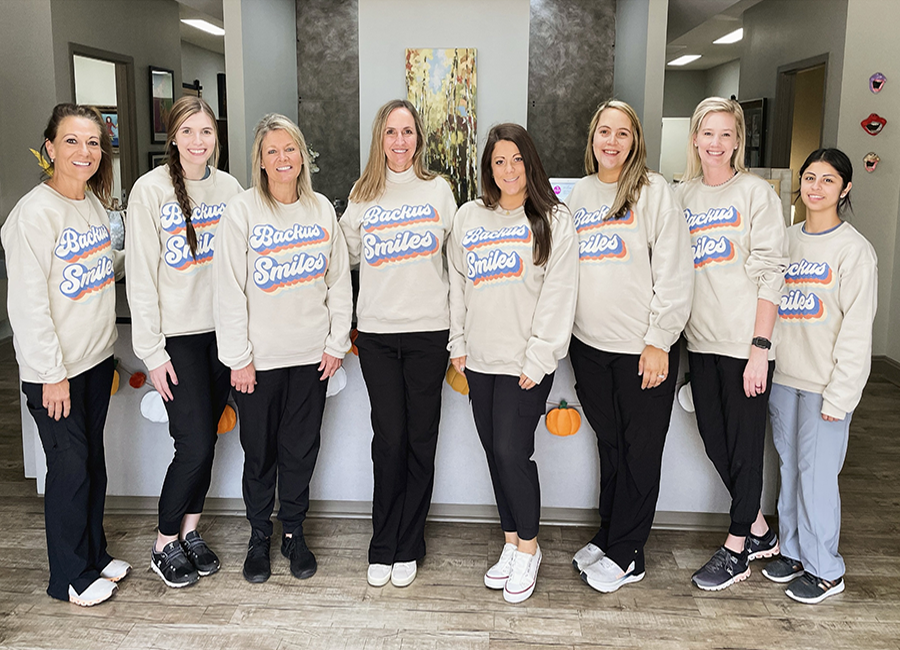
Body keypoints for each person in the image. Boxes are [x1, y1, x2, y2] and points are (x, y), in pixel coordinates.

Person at [214, 114, 352, 584]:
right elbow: (229, 289)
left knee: (300, 450)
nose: (281, 158)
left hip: (312, 358)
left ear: (301, 155)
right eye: (271, 151)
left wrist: (336, 343)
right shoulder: (243, 211)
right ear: (261, 160)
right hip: (258, 362)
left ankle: (292, 531)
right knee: (259, 453)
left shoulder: (321, 211)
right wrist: (239, 357)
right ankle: (259, 535)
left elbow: (338, 283)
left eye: (288, 149)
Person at [1, 103, 129, 606]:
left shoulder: (92, 205)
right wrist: (51, 373)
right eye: (72, 141)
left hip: (95, 362)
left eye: (93, 142)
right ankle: (69, 578)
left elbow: (102, 267)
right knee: (70, 470)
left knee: (91, 464)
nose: (84, 152)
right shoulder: (33, 214)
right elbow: (29, 306)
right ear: (50, 147)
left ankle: (94, 555)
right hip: (57, 372)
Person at [448, 123, 578, 604]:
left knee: (512, 451)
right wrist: (457, 343)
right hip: (479, 359)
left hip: (526, 361)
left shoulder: (553, 219)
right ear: (489, 167)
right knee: (493, 451)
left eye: (517, 160)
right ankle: (509, 544)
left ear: (531, 163)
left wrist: (540, 355)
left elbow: (559, 293)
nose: (508, 170)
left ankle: (530, 547)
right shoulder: (469, 217)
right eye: (499, 161)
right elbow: (457, 285)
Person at [566, 100, 694, 593]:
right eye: (604, 131)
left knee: (641, 451)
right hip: (590, 347)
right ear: (592, 138)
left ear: (635, 140)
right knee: (611, 444)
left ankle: (629, 554)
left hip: (643, 348)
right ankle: (611, 534)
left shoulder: (652, 190)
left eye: (623, 133)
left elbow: (675, 272)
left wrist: (659, 340)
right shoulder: (579, 194)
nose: (612, 141)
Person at [339, 100, 457, 589]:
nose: (400, 141)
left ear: (419, 139)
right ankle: (382, 542)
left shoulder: (440, 191)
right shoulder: (363, 193)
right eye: (391, 132)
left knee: (420, 441)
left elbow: (461, 264)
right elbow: (337, 256)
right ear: (379, 139)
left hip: (430, 333)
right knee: (388, 440)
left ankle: (409, 543)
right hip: (379, 337)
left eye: (408, 132)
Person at [126, 96, 242, 588]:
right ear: (173, 137)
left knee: (208, 442)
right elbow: (139, 278)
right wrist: (151, 352)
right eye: (189, 131)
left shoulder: (231, 188)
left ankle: (190, 532)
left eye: (207, 131)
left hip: (224, 335)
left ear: (217, 137)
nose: (198, 141)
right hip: (178, 340)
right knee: (191, 444)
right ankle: (162, 543)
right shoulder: (149, 191)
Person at [675, 97, 788, 591]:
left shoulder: (756, 195)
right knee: (716, 444)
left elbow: (771, 275)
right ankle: (760, 530)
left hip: (746, 345)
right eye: (708, 133)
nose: (716, 143)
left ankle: (736, 548)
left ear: (738, 141)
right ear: (695, 139)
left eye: (726, 134)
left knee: (744, 451)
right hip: (700, 344)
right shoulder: (683, 196)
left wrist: (760, 347)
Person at [764, 148, 877, 604]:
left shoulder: (854, 250)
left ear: (845, 188)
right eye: (810, 177)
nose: (815, 187)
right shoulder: (785, 240)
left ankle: (826, 568)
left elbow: (856, 331)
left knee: (818, 475)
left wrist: (841, 395)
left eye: (828, 180)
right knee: (790, 469)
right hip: (783, 377)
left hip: (825, 385)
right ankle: (792, 551)